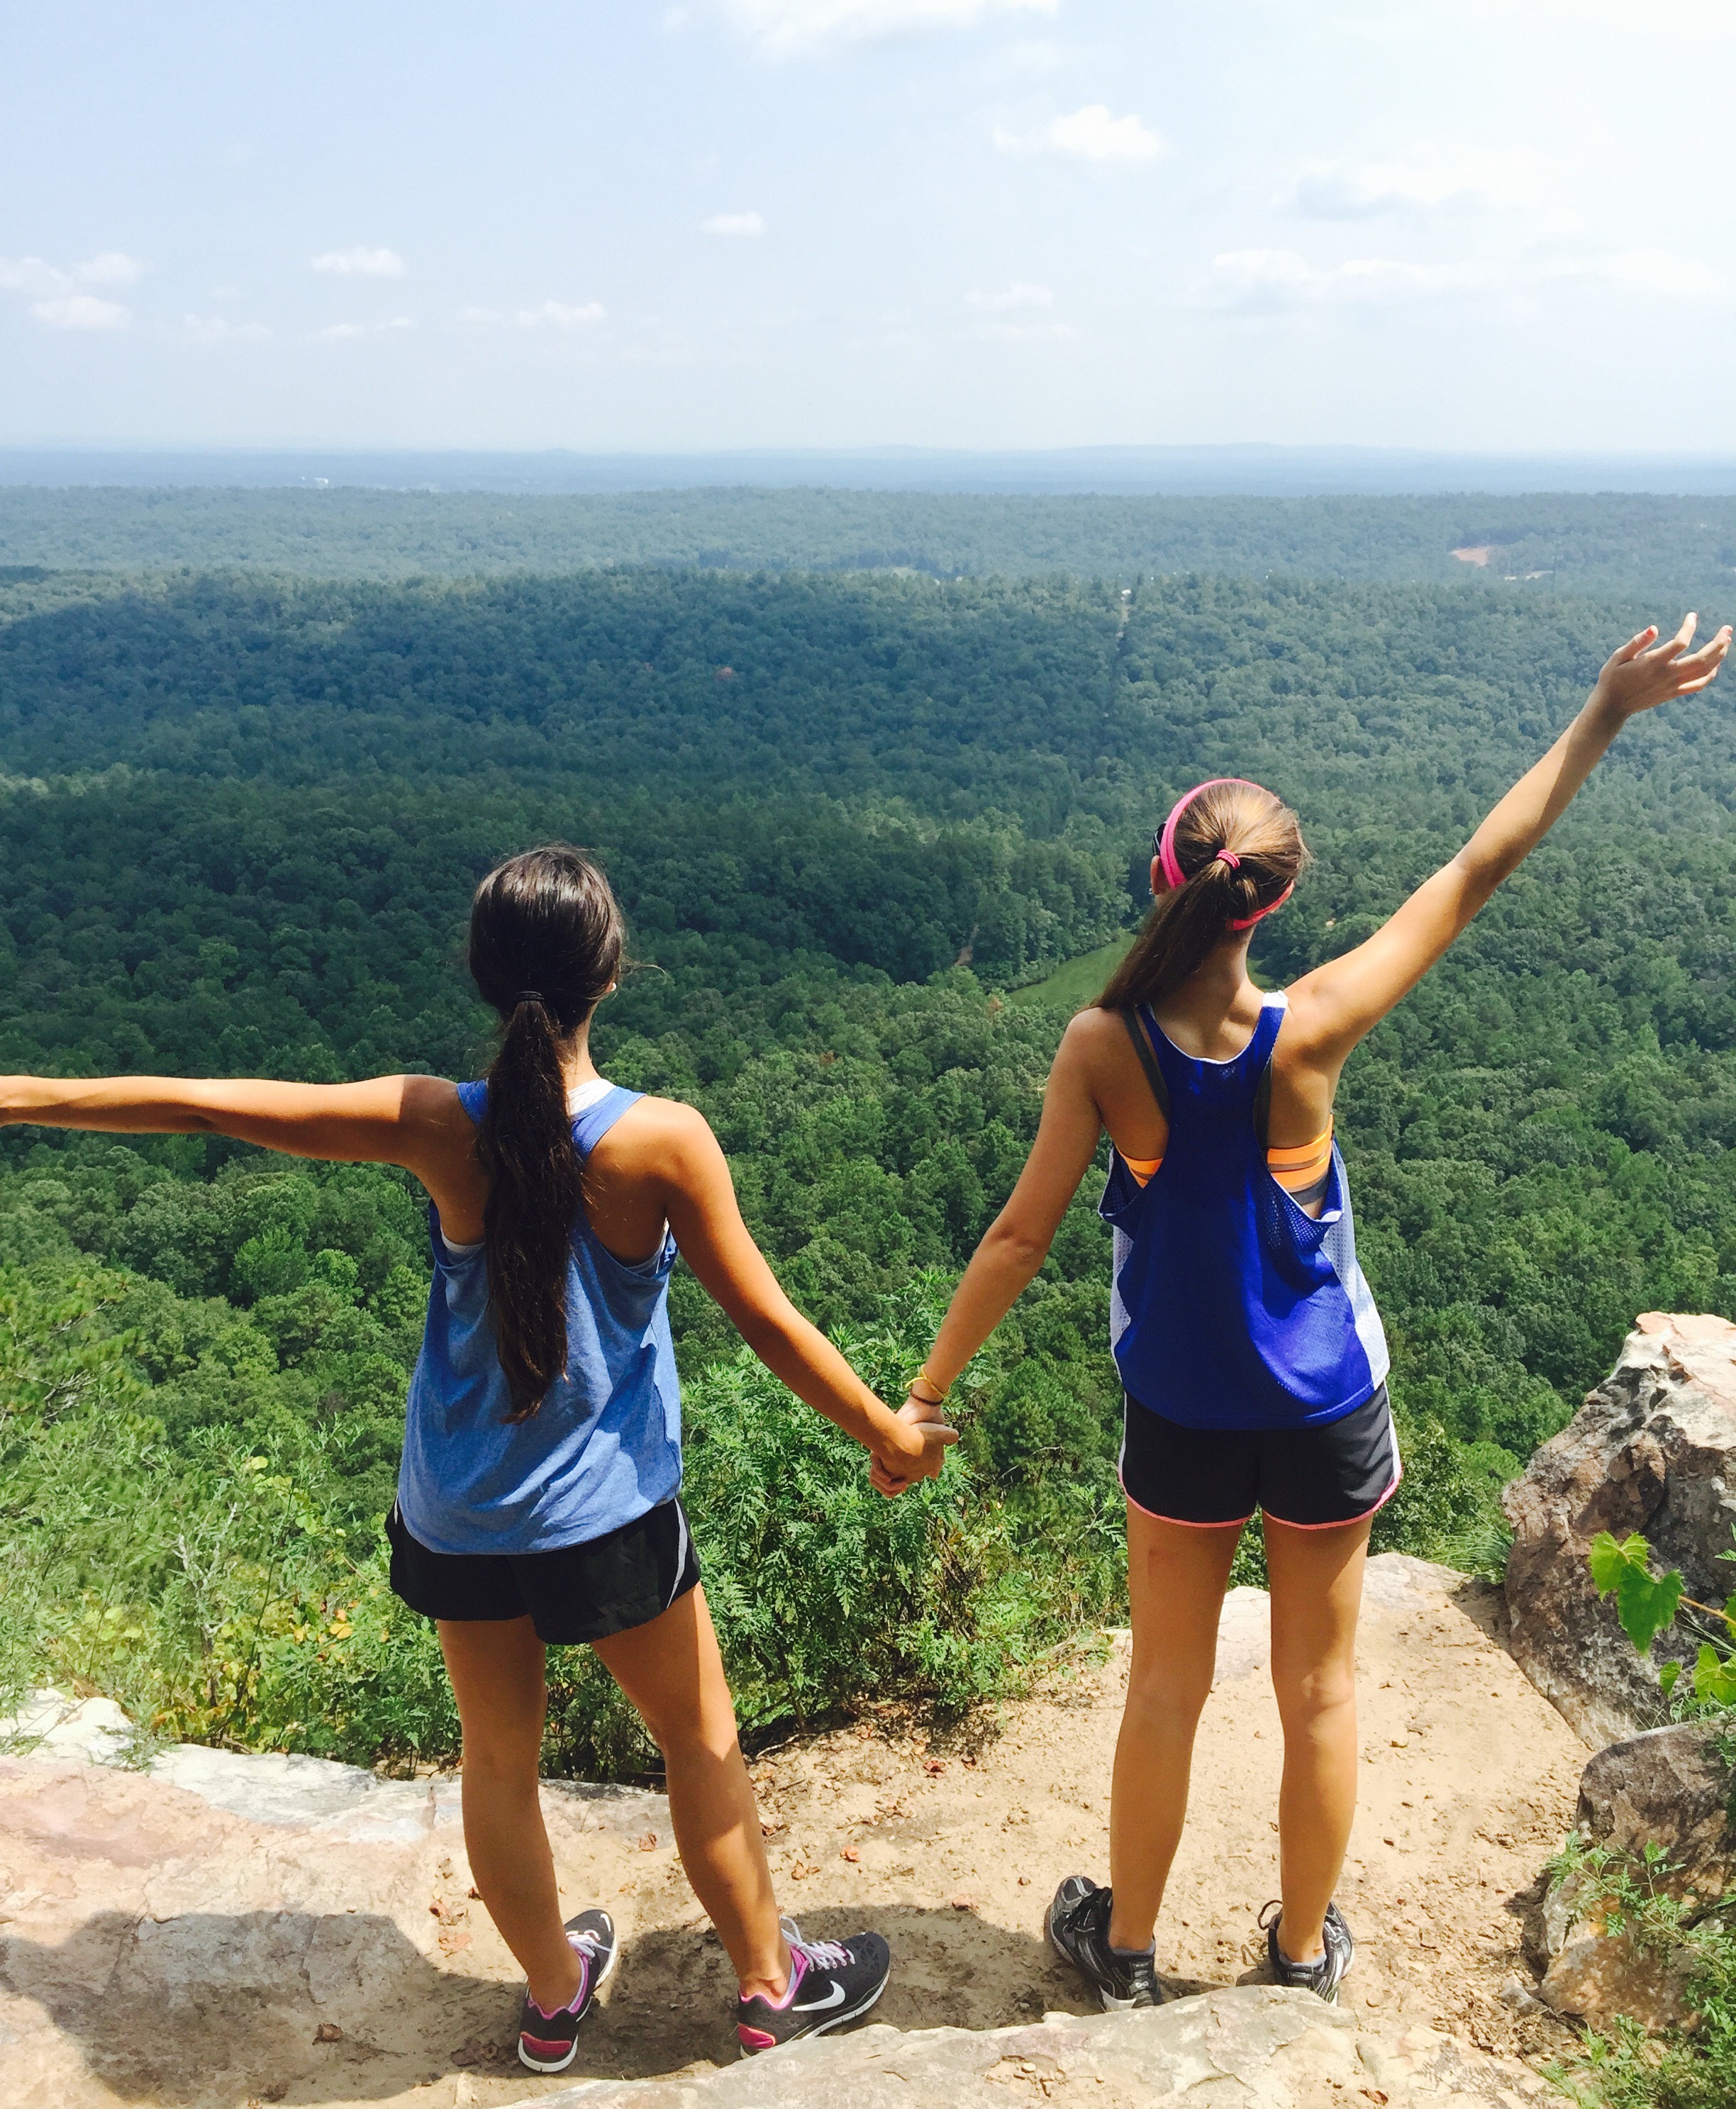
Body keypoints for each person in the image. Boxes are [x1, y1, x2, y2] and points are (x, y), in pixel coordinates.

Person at [874, 613, 1730, 2010]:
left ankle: (1127, 1954)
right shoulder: (1312, 1024)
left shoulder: (1102, 1045)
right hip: (1327, 1403)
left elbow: (1020, 1236)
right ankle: (1298, 1959)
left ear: (1167, 879)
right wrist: (1602, 715)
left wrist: (923, 1398)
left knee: (1166, 1687)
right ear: (1265, 904)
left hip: (1183, 1408)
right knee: (1321, 1690)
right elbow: (1478, 867)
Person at [1, 844, 955, 2072]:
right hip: (608, 1514)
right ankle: (771, 1985)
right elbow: (768, 1322)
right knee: (698, 1739)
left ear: (483, 976)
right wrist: (885, 1433)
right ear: (613, 973)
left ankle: (554, 2000)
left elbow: (205, 1102)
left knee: (499, 1761)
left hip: (459, 1510)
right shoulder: (663, 1141)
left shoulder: (434, 1121)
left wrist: (21, 1095)